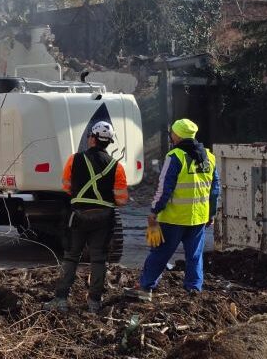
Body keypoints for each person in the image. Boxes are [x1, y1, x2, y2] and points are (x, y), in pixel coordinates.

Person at [127, 118, 220, 301]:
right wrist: (211, 213)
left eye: (172, 133)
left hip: (174, 218)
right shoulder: (209, 157)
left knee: (161, 253)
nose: (171, 136)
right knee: (194, 256)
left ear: (177, 135)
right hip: (198, 218)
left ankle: (146, 288)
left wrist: (154, 210)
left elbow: (164, 188)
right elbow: (214, 189)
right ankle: (193, 291)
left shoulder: (175, 156)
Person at [45, 121, 128, 313]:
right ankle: (94, 303)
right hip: (104, 219)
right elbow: (122, 200)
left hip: (79, 216)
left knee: (71, 257)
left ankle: (61, 299)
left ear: (91, 138)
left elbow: (66, 187)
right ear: (108, 142)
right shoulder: (117, 167)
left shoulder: (74, 160)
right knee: (99, 259)